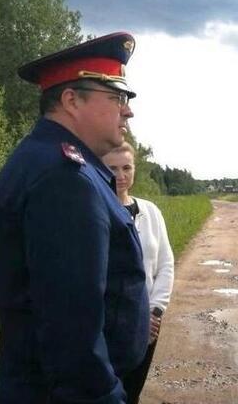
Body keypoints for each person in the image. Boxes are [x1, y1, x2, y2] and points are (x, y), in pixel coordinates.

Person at [0, 32, 150, 403]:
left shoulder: (52, 161)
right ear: (71, 100)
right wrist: (103, 396)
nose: (127, 111)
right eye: (117, 97)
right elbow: (71, 325)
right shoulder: (64, 178)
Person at [102, 142, 175, 404]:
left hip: (148, 323)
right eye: (112, 168)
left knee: (132, 392)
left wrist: (154, 311)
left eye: (126, 168)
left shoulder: (150, 212)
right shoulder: (94, 210)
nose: (121, 175)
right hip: (107, 323)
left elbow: (165, 264)